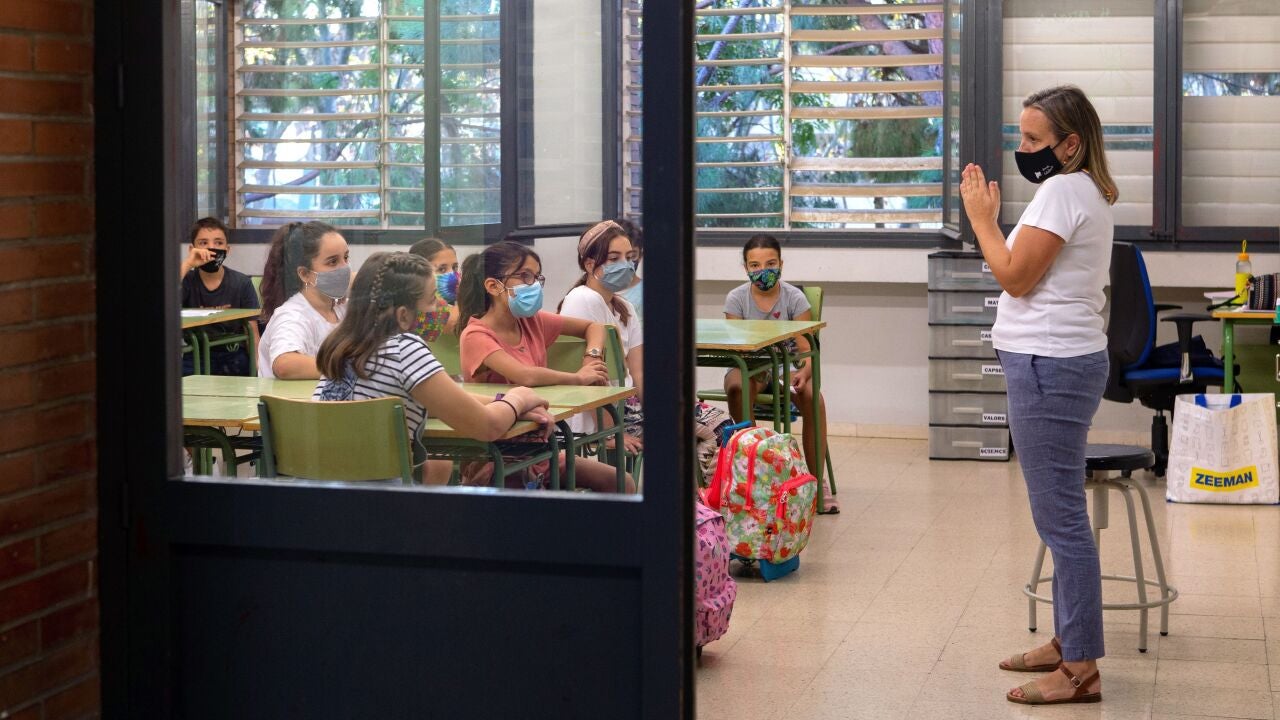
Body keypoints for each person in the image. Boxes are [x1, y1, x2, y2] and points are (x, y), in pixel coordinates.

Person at [959, 85, 1117, 706]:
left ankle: (1080, 668)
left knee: (1061, 520)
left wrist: (982, 220)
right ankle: (1067, 640)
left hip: (1050, 366)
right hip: (1056, 364)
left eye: (1033, 139)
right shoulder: (1082, 190)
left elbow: (1016, 278)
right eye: (1019, 136)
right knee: (1058, 516)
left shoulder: (1061, 191)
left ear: (1069, 144)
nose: (1022, 149)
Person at [314, 252, 553, 485]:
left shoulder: (341, 348)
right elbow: (488, 427)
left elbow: (445, 400)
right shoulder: (404, 349)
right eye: (431, 300)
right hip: (380, 501)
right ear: (403, 315)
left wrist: (503, 402)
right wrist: (519, 398)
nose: (439, 307)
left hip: (317, 495)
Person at [457, 240, 635, 493]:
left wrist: (592, 358)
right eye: (524, 276)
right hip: (496, 456)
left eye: (536, 277)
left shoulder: (531, 321)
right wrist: (578, 378)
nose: (534, 285)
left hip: (541, 451)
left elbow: (593, 327)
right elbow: (524, 375)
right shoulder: (476, 335)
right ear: (493, 286)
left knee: (622, 482)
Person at [722, 233, 836, 513]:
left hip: (784, 370)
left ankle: (814, 482)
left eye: (770, 263)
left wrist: (805, 373)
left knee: (813, 398)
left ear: (781, 264)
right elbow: (737, 348)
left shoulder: (794, 298)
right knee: (737, 389)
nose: (763, 271)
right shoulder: (736, 299)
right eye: (755, 265)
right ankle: (753, 478)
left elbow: (807, 350)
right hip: (750, 367)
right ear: (746, 268)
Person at [557, 220, 643, 455]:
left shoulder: (624, 308)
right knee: (711, 430)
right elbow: (592, 378)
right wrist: (610, 433)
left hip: (626, 406)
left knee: (708, 428)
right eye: (614, 258)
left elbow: (638, 372)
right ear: (589, 264)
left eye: (629, 257)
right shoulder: (583, 299)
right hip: (599, 415)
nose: (625, 265)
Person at [257, 221, 351, 379]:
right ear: (305, 274)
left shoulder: (341, 308)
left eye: (346, 258)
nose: (344, 268)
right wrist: (348, 369)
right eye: (332, 262)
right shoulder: (292, 315)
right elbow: (284, 364)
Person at [179, 217, 259, 376]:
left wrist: (259, 371)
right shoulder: (186, 281)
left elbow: (252, 333)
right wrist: (187, 264)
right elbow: (165, 299)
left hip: (233, 354)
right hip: (196, 355)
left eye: (218, 243)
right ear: (192, 249)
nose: (211, 248)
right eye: (203, 243)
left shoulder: (241, 282)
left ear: (227, 250)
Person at [407, 237, 460, 342]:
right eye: (442, 269)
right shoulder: (415, 312)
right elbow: (454, 322)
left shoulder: (451, 305)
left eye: (454, 268)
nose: (453, 275)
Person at [612, 218, 644, 321]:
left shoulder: (645, 294)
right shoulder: (598, 291)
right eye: (615, 257)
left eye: (631, 256)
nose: (624, 263)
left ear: (640, 256)